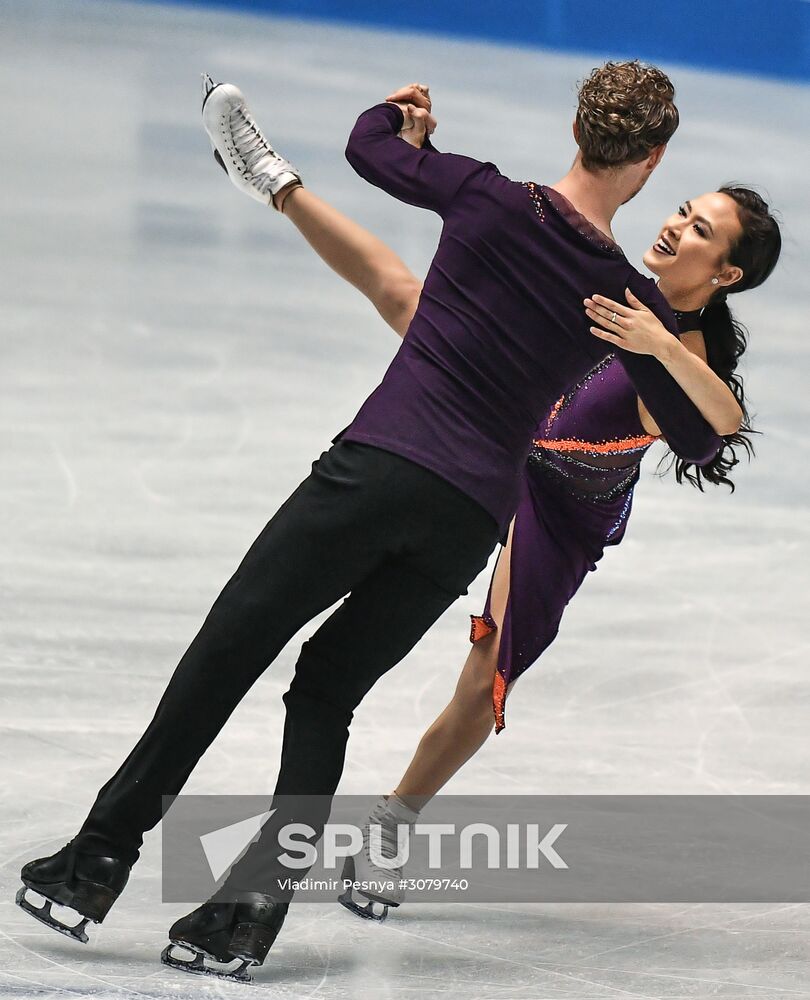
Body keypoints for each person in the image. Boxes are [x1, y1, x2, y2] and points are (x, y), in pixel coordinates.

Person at [17, 63, 729, 981]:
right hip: (467, 522)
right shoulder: (623, 300)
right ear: (653, 157)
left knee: (231, 647)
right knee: (325, 692)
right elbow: (703, 443)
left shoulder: (485, 195)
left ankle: (96, 860)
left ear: (579, 129)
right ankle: (246, 914)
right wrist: (661, 338)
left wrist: (409, 117)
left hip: (376, 469)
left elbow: (368, 147)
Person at [199, 94, 781, 923]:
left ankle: (392, 827)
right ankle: (277, 184)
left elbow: (719, 421)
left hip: (562, 508)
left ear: (724, 274)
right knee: (406, 295)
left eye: (698, 232)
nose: (674, 227)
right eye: (683, 210)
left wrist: (656, 342)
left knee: (486, 678)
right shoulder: (608, 277)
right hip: (491, 449)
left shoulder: (677, 347)